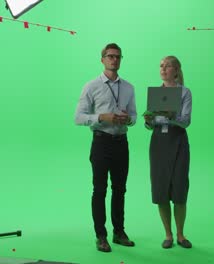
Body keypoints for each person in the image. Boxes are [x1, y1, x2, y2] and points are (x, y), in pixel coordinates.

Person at [75, 43, 137, 253]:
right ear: (102, 59)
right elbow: (78, 117)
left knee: (120, 190)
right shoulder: (91, 86)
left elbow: (135, 117)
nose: (114, 60)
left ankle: (119, 232)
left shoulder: (128, 87)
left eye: (118, 56)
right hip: (101, 142)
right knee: (99, 190)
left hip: (121, 143)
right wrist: (102, 117)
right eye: (110, 56)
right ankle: (101, 236)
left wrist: (128, 120)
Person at [144, 55, 192, 249]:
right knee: (160, 188)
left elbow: (186, 121)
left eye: (168, 66)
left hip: (177, 139)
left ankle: (181, 234)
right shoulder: (156, 93)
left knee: (179, 187)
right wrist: (148, 121)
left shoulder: (184, 92)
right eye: (161, 65)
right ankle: (168, 234)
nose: (163, 69)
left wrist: (172, 117)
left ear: (176, 70)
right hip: (158, 142)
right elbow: (152, 124)